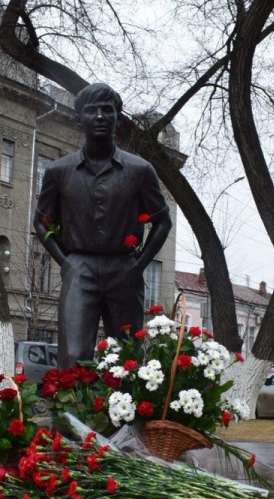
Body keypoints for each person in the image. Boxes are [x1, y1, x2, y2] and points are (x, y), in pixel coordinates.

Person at [34, 83, 172, 369]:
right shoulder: (59, 171)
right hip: (79, 268)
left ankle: (127, 415)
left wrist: (138, 266)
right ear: (79, 119)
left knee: (127, 359)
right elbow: (41, 221)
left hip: (124, 268)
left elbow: (162, 221)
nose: (99, 117)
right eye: (91, 111)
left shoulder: (140, 170)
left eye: (107, 111)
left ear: (118, 119)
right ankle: (70, 414)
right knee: (72, 355)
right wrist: (66, 262)